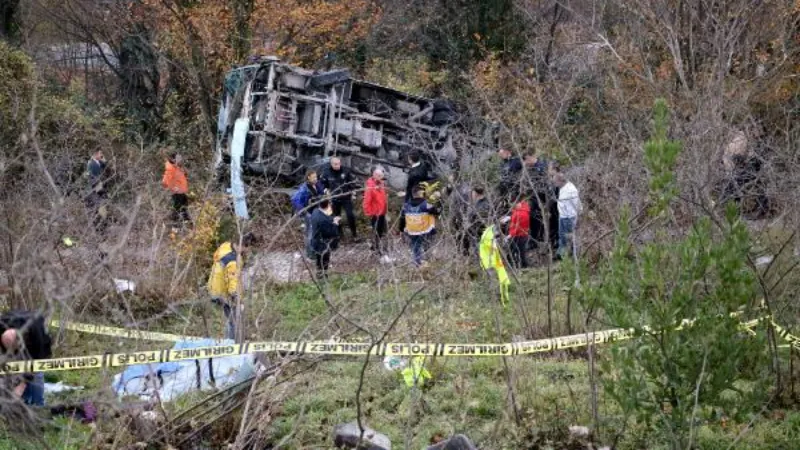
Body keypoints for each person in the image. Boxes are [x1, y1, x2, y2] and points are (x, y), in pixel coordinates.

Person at [207, 233, 256, 340]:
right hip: (223, 292)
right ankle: (231, 343)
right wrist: (237, 299)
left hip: (214, 287)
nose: (247, 251)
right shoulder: (233, 260)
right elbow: (233, 282)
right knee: (233, 319)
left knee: (224, 318)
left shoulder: (226, 246)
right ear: (243, 246)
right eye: (247, 248)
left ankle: (225, 339)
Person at [0, 311, 53, 406]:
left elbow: (36, 363)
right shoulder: (2, 324)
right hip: (17, 326)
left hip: (37, 349)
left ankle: (37, 406)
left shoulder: (36, 338)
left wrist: (21, 386)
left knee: (36, 378)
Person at [399, 184, 439, 267]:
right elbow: (436, 212)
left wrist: (401, 229)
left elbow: (402, 218)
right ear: (421, 193)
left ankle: (417, 261)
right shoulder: (426, 204)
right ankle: (422, 261)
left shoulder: (406, 205)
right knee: (425, 244)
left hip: (411, 230)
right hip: (424, 230)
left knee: (415, 246)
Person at [320, 157, 358, 239]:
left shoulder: (346, 170)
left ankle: (354, 235)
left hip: (346, 197)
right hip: (334, 198)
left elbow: (352, 182)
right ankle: (340, 234)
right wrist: (326, 190)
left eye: (339, 163)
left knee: (350, 215)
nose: (338, 166)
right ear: (331, 164)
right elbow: (322, 184)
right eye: (335, 164)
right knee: (336, 217)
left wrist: (352, 191)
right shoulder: (326, 172)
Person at [291, 170, 325, 256]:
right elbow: (295, 199)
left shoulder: (317, 184)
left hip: (317, 211)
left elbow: (321, 194)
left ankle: (316, 249)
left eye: (316, 177)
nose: (315, 179)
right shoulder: (304, 188)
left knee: (317, 231)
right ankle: (310, 252)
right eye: (313, 177)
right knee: (310, 232)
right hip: (309, 213)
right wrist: (303, 210)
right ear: (308, 177)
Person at [522, 152, 549, 249]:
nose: (525, 163)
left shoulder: (542, 166)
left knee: (540, 219)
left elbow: (545, 182)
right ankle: (534, 241)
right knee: (532, 218)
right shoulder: (528, 169)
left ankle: (541, 239)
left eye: (526, 160)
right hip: (532, 197)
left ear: (529, 157)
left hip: (543, 197)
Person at [309, 198, 341, 279]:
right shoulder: (323, 220)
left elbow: (325, 217)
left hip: (316, 241)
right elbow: (330, 233)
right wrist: (335, 223)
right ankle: (323, 277)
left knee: (319, 260)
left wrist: (331, 219)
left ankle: (320, 274)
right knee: (324, 261)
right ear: (328, 205)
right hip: (323, 244)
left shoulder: (315, 211)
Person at [553, 172, 582, 260]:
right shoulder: (562, 187)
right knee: (562, 236)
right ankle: (561, 254)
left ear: (560, 181)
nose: (555, 184)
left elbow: (577, 204)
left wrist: (578, 214)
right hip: (562, 216)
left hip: (570, 217)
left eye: (555, 182)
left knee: (570, 237)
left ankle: (574, 255)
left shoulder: (571, 190)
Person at [363, 167, 389, 258]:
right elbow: (367, 200)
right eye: (379, 176)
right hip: (375, 213)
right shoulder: (370, 186)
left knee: (380, 231)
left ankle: (378, 248)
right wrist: (369, 213)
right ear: (374, 175)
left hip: (382, 212)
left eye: (382, 176)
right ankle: (375, 250)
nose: (381, 177)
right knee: (376, 232)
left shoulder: (380, 183)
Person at [162, 152, 191, 226]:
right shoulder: (170, 169)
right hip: (177, 194)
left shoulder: (177, 167)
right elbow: (165, 182)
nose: (180, 159)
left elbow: (183, 177)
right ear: (173, 159)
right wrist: (173, 188)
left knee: (184, 209)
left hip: (182, 193)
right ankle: (174, 229)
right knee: (176, 211)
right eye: (179, 158)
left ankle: (188, 225)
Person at [85, 150, 108, 233]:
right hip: (95, 191)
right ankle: (98, 230)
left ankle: (102, 228)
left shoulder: (100, 163)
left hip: (101, 190)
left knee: (102, 208)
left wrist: (103, 160)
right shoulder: (90, 164)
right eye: (100, 153)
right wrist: (98, 186)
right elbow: (90, 178)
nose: (102, 155)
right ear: (95, 154)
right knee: (96, 210)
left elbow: (105, 167)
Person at [464, 186, 491, 256]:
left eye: (473, 193)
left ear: (476, 193)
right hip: (475, 227)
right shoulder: (478, 202)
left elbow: (481, 215)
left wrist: (471, 217)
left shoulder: (484, 203)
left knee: (479, 246)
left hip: (480, 227)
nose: (472, 195)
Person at [507, 196, 531, 268]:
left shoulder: (522, 214)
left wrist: (510, 235)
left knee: (519, 252)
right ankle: (517, 264)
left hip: (519, 235)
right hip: (518, 234)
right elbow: (515, 216)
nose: (512, 207)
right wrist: (509, 218)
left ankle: (523, 266)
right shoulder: (520, 209)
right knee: (517, 251)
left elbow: (518, 227)